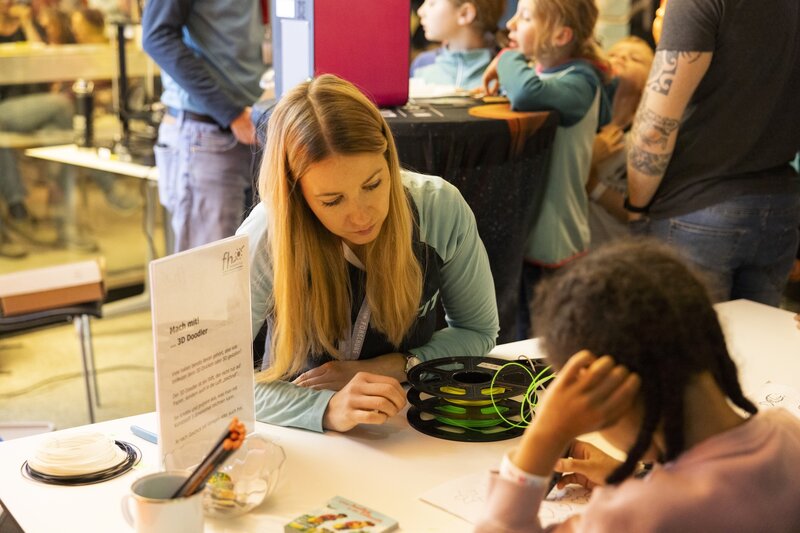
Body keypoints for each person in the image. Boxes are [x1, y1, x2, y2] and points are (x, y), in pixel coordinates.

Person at [475, 239, 800, 532]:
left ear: (613, 394)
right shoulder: (789, 434)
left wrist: (543, 437)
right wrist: (638, 475)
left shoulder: (634, 514)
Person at [237, 75, 499, 433]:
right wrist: (326, 408)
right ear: (296, 195)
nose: (361, 216)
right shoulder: (268, 233)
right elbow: (214, 383)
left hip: (408, 421)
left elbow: (478, 330)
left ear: (389, 158)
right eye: (331, 200)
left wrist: (392, 365)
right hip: (298, 432)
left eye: (373, 184)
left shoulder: (439, 208)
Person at [624, 0, 800, 306]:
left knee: (686, 349)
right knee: (755, 350)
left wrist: (635, 208)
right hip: (780, 205)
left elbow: (655, 130)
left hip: (695, 208)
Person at [482, 0, 611, 338]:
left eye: (524, 17)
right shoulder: (549, 76)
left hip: (555, 237)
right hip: (532, 230)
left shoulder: (580, 80)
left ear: (561, 35)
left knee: (545, 337)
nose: (510, 25)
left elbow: (526, 92)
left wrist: (506, 58)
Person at [141, 0, 265, 253]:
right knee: (210, 275)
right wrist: (231, 114)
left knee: (247, 271)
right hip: (207, 135)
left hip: (244, 129)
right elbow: (156, 37)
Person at [586, 36, 654, 247]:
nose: (621, 57)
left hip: (615, 251)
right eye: (613, 54)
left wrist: (591, 184)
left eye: (635, 59)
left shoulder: (646, 138)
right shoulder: (584, 119)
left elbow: (640, 214)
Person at [411, 0, 506, 90]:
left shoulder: (504, 72)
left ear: (465, 13)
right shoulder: (421, 65)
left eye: (432, 3)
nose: (420, 11)